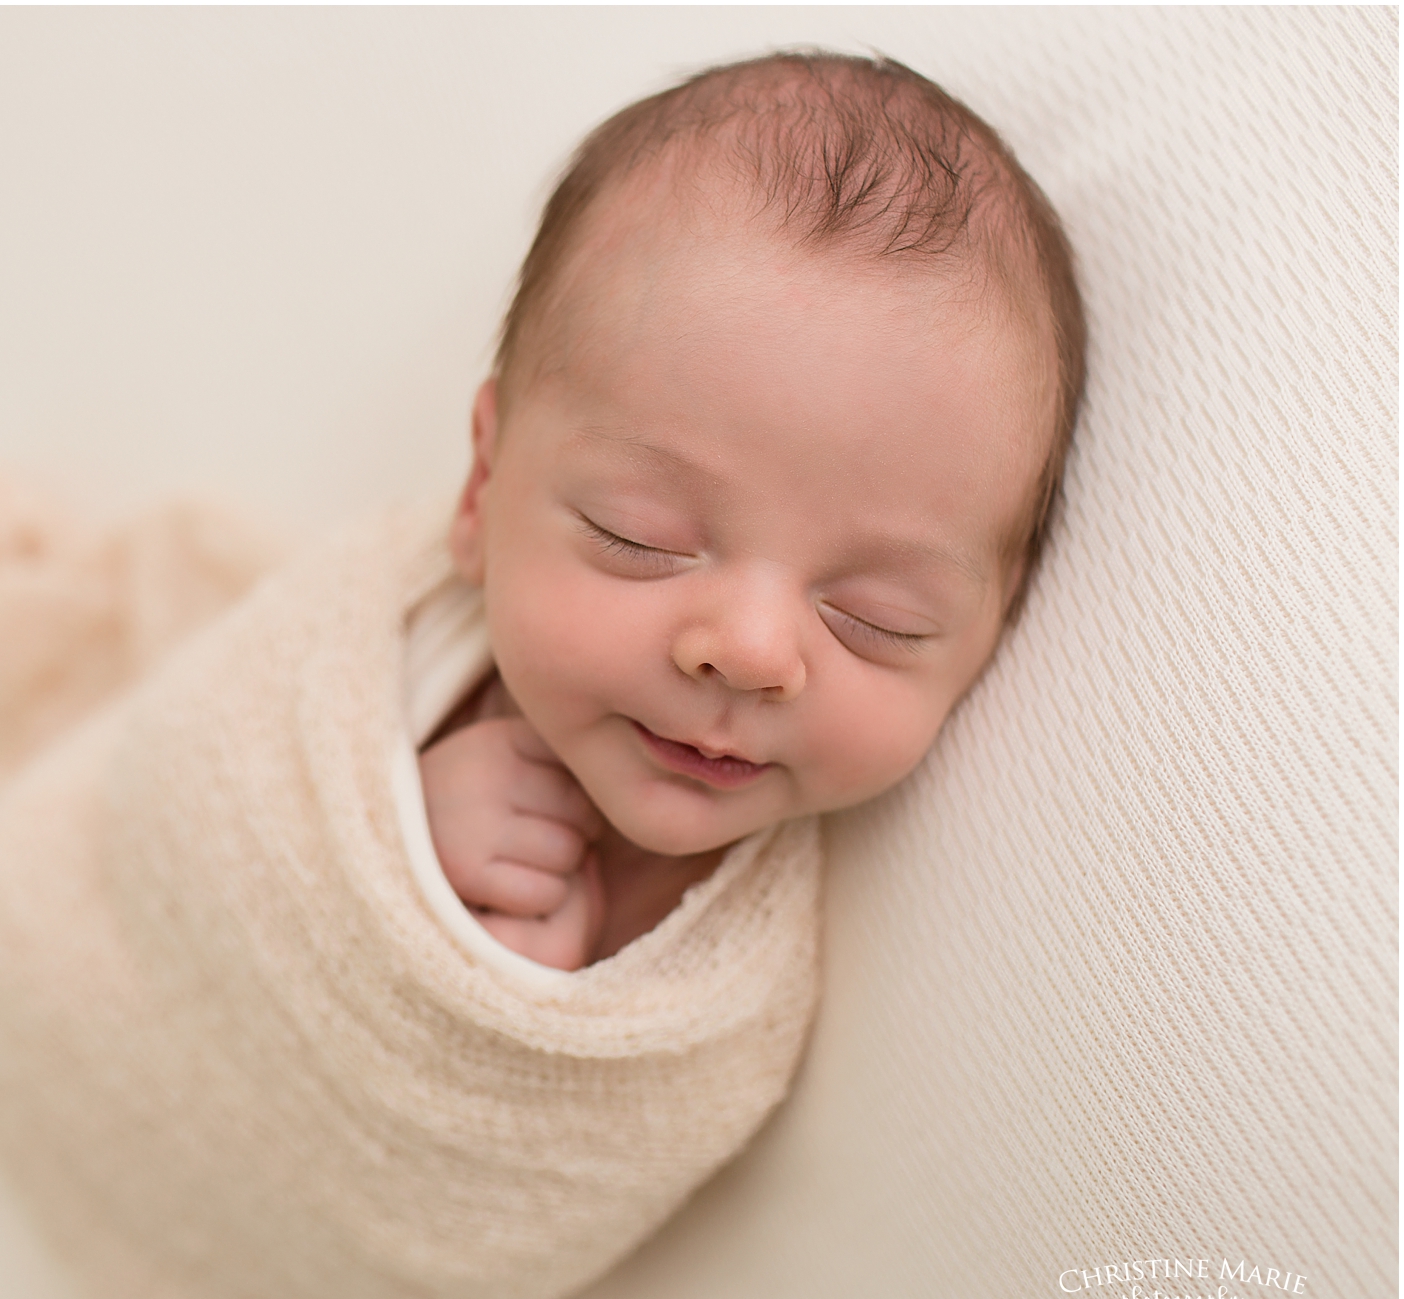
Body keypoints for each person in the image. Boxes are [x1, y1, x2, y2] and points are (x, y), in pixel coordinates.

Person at [415, 50, 1085, 970]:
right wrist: (399, 836)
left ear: (994, 630)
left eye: (876, 621)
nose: (750, 652)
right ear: (482, 488)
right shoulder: (377, 664)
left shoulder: (796, 955)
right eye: (637, 537)